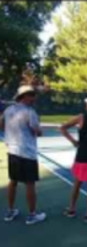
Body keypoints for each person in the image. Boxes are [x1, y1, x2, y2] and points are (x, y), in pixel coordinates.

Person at [0, 85, 46, 225]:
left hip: (12, 151)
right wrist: (39, 131)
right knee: (29, 183)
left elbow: (1, 125)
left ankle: (10, 211)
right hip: (27, 153)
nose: (34, 98)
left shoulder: (8, 110)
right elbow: (37, 131)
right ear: (23, 96)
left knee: (13, 181)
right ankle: (32, 215)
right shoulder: (30, 112)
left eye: (34, 94)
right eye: (31, 95)